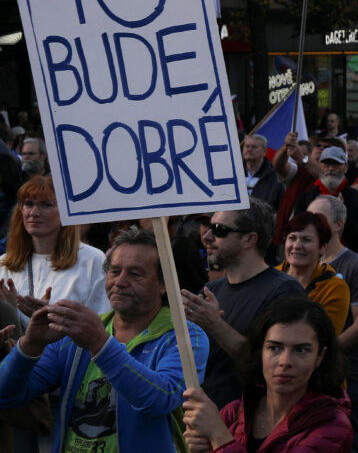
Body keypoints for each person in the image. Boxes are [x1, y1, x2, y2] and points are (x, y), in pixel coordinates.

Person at [0, 228, 210, 451]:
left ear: (163, 284)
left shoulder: (185, 336)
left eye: (135, 274)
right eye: (115, 271)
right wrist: (29, 346)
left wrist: (100, 344)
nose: (120, 281)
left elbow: (160, 400)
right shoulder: (77, 332)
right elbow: (6, 397)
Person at [182, 296, 352, 452]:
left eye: (301, 350)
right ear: (261, 351)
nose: (285, 361)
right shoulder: (234, 412)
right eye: (274, 348)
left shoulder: (333, 427)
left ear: (319, 357)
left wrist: (219, 436)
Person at [183, 199, 306, 408]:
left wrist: (215, 324)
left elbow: (274, 365)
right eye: (209, 227)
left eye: (219, 229)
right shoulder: (211, 290)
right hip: (207, 420)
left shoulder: (285, 290)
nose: (207, 236)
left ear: (249, 239)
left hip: (251, 424)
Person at [308, 195, 358, 453]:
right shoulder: (301, 264)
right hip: (306, 374)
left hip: (346, 372)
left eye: (318, 218)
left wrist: (321, 354)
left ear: (338, 225)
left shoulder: (357, 266)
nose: (311, 223)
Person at [0, 176, 108, 325]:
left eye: (46, 205)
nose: (34, 212)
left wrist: (53, 317)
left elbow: (103, 322)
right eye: (28, 204)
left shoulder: (92, 259)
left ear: (66, 210)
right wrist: (9, 311)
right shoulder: (4, 264)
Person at [278, 212, 351, 331]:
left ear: (323, 247)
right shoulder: (268, 277)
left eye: (306, 240)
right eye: (292, 238)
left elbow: (324, 338)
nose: (297, 246)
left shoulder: (334, 288)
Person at [243, 133, 283, 210]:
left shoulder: (275, 175)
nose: (249, 150)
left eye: (254, 147)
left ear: (264, 151)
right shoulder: (234, 172)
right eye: (247, 146)